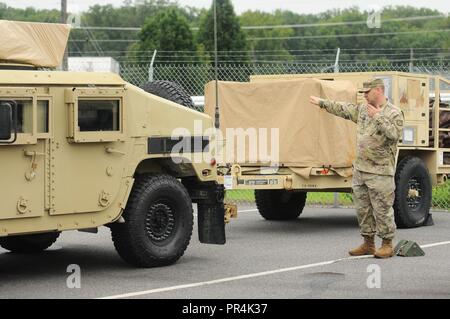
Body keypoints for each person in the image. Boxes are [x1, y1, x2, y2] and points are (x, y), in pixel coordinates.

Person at [309, 78, 404, 258]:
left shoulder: (394, 113)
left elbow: (394, 135)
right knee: (363, 209)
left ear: (379, 90)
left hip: (380, 171)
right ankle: (368, 243)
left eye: (368, 92)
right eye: (363, 93)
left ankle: (387, 244)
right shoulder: (361, 109)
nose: (365, 95)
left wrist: (377, 116)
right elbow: (343, 109)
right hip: (361, 170)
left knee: (382, 209)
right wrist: (322, 103)